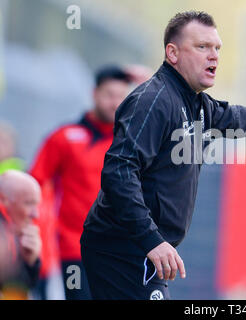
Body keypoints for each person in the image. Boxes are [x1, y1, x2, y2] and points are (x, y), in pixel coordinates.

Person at [80, 11, 246, 300]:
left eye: (217, 48)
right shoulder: (154, 101)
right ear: (172, 53)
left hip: (144, 252)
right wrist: (151, 240)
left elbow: (232, 116)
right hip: (122, 249)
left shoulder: (195, 101)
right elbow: (119, 172)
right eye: (202, 47)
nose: (213, 56)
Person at [30, 64, 152, 300]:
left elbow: (172, 122)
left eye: (121, 96)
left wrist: (149, 83)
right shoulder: (65, 138)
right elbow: (34, 183)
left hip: (123, 251)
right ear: (94, 93)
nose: (114, 102)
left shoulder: (135, 141)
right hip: (75, 250)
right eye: (109, 95)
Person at [0, 170, 42, 300]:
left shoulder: (12, 230)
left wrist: (30, 261)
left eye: (36, 205)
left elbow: (19, 289)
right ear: (3, 200)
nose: (35, 214)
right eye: (29, 203)